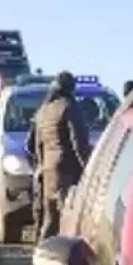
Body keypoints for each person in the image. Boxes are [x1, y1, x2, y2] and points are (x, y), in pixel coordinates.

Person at [26, 71, 90, 243]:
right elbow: (79, 144)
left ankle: (42, 254)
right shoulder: (69, 106)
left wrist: (41, 165)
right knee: (69, 220)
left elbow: (33, 145)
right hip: (67, 172)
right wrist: (89, 168)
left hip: (48, 172)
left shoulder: (43, 111)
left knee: (50, 220)